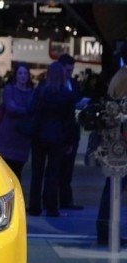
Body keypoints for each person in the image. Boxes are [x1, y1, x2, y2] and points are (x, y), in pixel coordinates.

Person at [28, 62, 78, 217]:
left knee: (37, 173)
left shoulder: (41, 92)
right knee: (53, 173)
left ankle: (34, 207)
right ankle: (51, 208)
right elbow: (70, 120)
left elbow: (32, 111)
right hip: (58, 137)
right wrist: (70, 142)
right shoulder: (67, 95)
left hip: (39, 136)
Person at [96, 64, 127, 245]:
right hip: (121, 146)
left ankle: (106, 232)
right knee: (114, 189)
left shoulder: (119, 75)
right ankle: (108, 233)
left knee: (112, 188)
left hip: (116, 144)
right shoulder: (124, 77)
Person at [0, 63, 34, 181]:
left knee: (18, 171)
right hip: (8, 133)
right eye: (20, 73)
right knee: (6, 170)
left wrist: (22, 110)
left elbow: (30, 109)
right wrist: (27, 110)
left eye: (25, 73)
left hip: (23, 137)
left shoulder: (31, 92)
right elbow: (11, 108)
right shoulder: (9, 89)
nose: (23, 76)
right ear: (15, 75)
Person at [57, 54, 85, 210]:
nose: (70, 73)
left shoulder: (73, 83)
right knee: (58, 167)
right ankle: (58, 200)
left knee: (68, 169)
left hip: (73, 131)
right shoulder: (55, 85)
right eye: (68, 70)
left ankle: (66, 200)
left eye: (72, 70)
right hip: (61, 132)